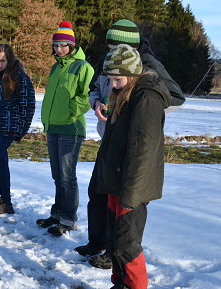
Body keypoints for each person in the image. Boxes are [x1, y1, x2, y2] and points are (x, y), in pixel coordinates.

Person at [74, 19, 185, 269]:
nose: (111, 51)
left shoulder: (148, 65)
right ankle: (97, 243)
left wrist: (140, 111)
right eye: (109, 47)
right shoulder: (108, 60)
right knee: (98, 193)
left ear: (132, 46)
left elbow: (175, 97)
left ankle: (115, 253)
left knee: (125, 210)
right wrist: (97, 103)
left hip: (129, 144)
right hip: (109, 139)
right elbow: (95, 88)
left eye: (115, 47)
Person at [89, 44, 170, 289]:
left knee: (127, 243)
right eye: (110, 79)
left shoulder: (147, 98)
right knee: (114, 240)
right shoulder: (125, 94)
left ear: (133, 74)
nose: (112, 85)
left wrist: (131, 194)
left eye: (117, 79)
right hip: (117, 181)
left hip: (132, 187)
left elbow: (142, 151)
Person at [37, 21, 94, 236]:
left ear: (71, 46)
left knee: (67, 176)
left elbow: (87, 96)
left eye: (63, 45)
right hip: (53, 127)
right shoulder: (56, 67)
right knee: (57, 176)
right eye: (56, 45)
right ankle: (57, 214)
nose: (59, 49)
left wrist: (70, 112)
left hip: (71, 127)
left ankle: (69, 220)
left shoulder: (83, 67)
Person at [0, 44, 36, 215]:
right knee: (0, 164)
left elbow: (28, 106)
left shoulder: (20, 78)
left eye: (2, 60)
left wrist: (21, 130)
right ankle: (6, 202)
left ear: (10, 59)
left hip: (8, 129)